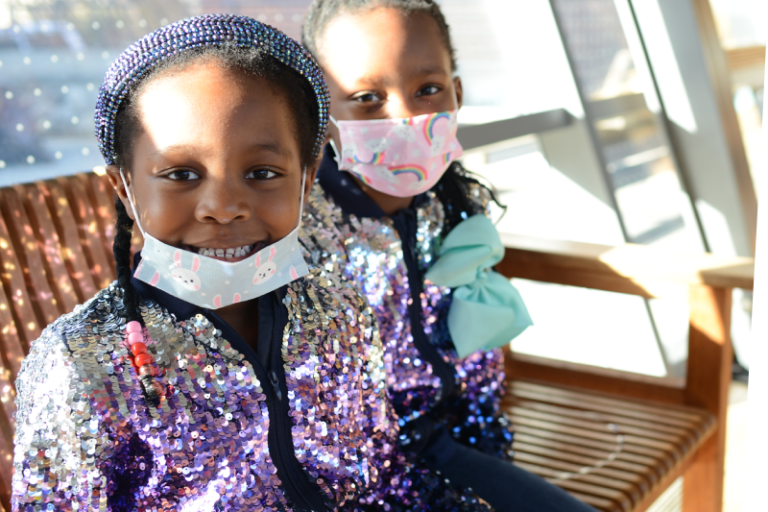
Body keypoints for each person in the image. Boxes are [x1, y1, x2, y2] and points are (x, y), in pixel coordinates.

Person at [11, 14, 494, 512]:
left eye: (262, 172)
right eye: (181, 173)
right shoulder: (80, 361)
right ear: (125, 188)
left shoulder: (339, 312)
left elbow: (381, 474)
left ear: (306, 181)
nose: (223, 206)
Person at [301, 2, 598, 511]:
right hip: (351, 473)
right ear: (323, 114)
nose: (404, 115)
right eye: (368, 98)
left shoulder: (457, 203)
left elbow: (476, 347)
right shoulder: (301, 231)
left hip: (457, 440)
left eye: (428, 90)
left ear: (457, 94)